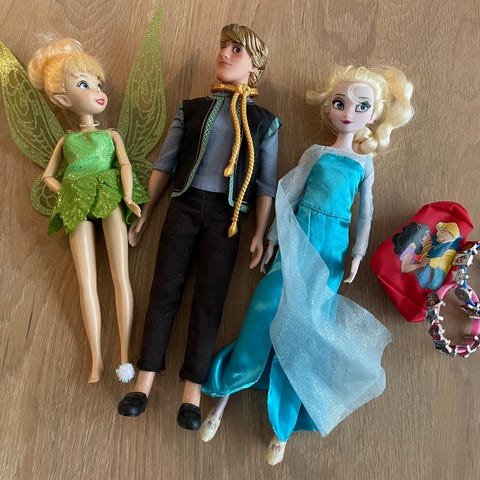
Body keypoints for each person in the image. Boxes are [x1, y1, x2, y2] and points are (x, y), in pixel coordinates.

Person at [200, 65, 414, 464]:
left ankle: (280, 430)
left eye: (361, 106)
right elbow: (289, 194)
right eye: (340, 103)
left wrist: (358, 253)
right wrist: (271, 240)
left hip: (332, 250)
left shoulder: (365, 163)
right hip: (298, 236)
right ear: (329, 107)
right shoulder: (316, 153)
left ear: (373, 115)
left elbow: (366, 213)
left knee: (305, 332)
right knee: (263, 311)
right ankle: (222, 400)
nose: (348, 113)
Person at [117, 24, 281, 431]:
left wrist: (260, 232)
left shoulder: (264, 122)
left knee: (210, 301)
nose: (224, 54)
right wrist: (146, 212)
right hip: (184, 206)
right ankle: (144, 380)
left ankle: (192, 389)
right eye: (223, 47)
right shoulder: (191, 109)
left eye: (237, 50)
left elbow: (265, 184)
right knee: (164, 291)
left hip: (229, 219)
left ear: (255, 66)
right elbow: (165, 163)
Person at [27, 38, 148, 383]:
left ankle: (124, 356)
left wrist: (129, 196)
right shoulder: (66, 141)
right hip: (76, 200)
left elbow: (125, 166)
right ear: (64, 99)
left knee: (120, 275)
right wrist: (65, 191)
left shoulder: (111, 135)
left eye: (98, 84)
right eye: (84, 85)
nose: (97, 92)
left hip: (109, 195)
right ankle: (96, 358)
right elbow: (47, 176)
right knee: (86, 281)